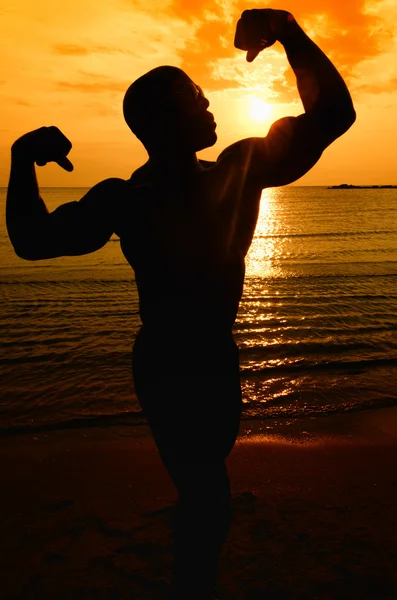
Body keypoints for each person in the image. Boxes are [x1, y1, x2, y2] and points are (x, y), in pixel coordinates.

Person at [6, 8, 355, 599]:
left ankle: (193, 573)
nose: (210, 103)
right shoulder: (192, 184)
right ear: (165, 118)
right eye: (196, 96)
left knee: (205, 485)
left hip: (205, 360)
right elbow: (34, 243)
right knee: (206, 494)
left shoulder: (195, 181)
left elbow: (31, 239)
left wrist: (20, 161)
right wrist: (287, 30)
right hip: (176, 365)